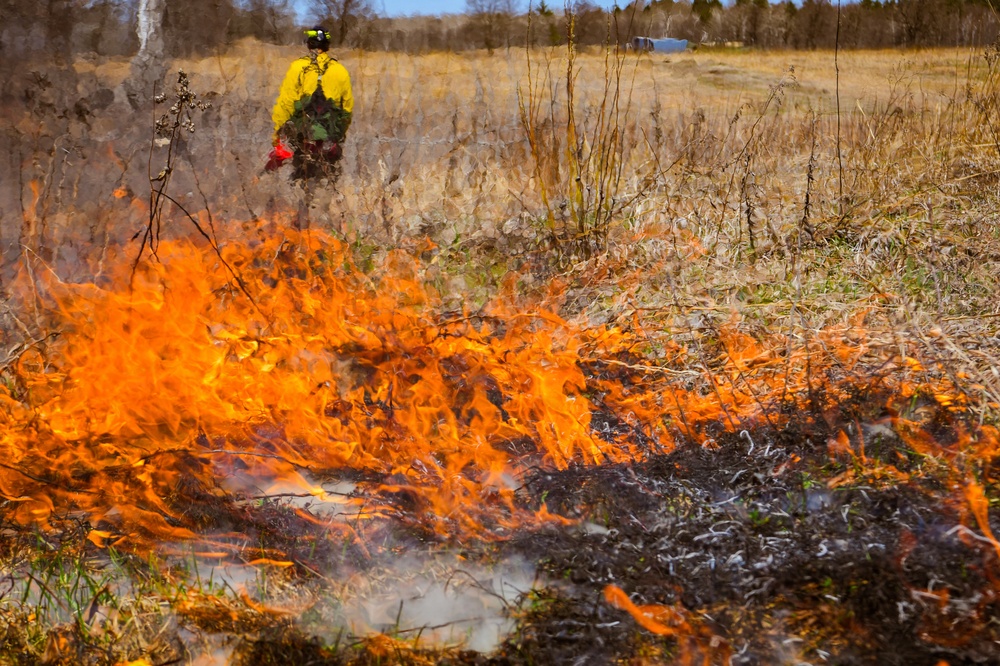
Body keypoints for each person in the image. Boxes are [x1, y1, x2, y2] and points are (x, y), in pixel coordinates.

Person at [271, 26, 354, 181]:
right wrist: (338, 135)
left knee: (300, 178)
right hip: (330, 140)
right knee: (328, 179)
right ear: (327, 46)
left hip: (303, 138)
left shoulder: (297, 67)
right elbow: (347, 109)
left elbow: (285, 103)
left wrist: (277, 135)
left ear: (309, 44)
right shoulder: (340, 70)